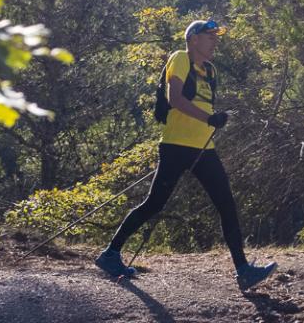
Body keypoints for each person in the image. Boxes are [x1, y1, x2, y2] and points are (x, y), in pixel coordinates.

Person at [94, 19, 278, 291]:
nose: (215, 41)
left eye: (216, 37)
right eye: (209, 36)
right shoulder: (180, 58)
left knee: (226, 204)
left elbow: (203, 107)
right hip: (176, 145)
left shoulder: (211, 71)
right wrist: (210, 118)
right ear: (193, 39)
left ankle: (243, 270)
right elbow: (175, 99)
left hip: (204, 149)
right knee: (154, 203)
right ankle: (110, 254)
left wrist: (215, 120)